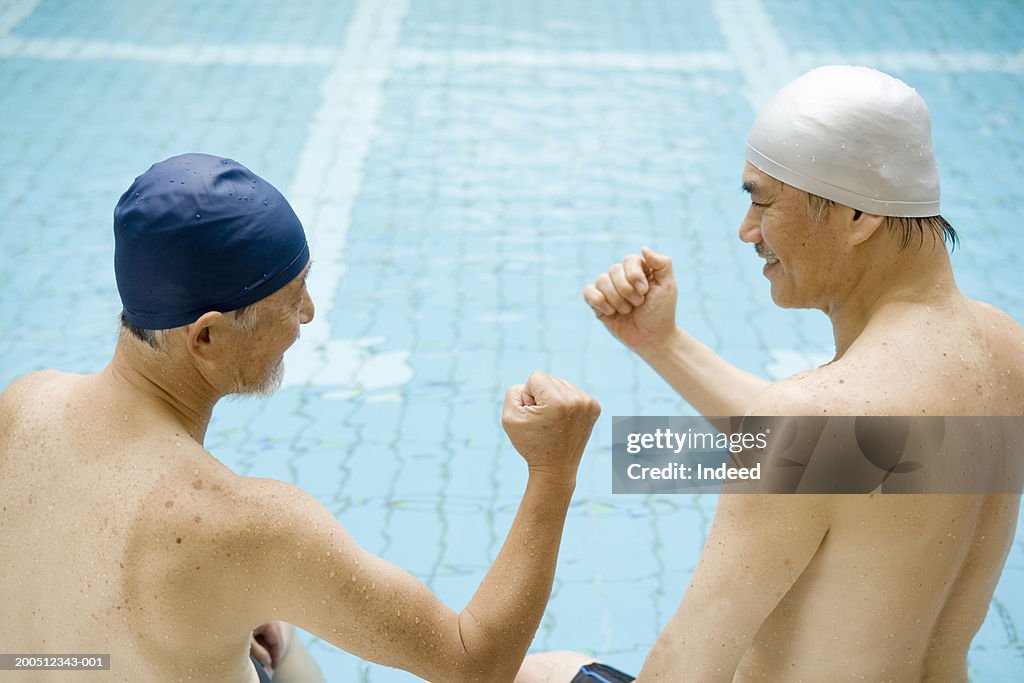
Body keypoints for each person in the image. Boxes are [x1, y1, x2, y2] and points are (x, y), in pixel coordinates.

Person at [0, 153, 601, 682]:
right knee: (557, 674)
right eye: (291, 302)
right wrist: (554, 473)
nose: (308, 316)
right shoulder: (248, 526)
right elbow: (475, 665)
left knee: (272, 638)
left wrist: (213, 610)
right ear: (205, 337)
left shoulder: (26, 402)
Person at [517, 66, 1024, 682]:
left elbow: (686, 669)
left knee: (512, 672)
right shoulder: (1006, 351)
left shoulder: (812, 419)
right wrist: (663, 344)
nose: (747, 230)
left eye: (762, 200)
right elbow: (856, 460)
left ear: (859, 214)